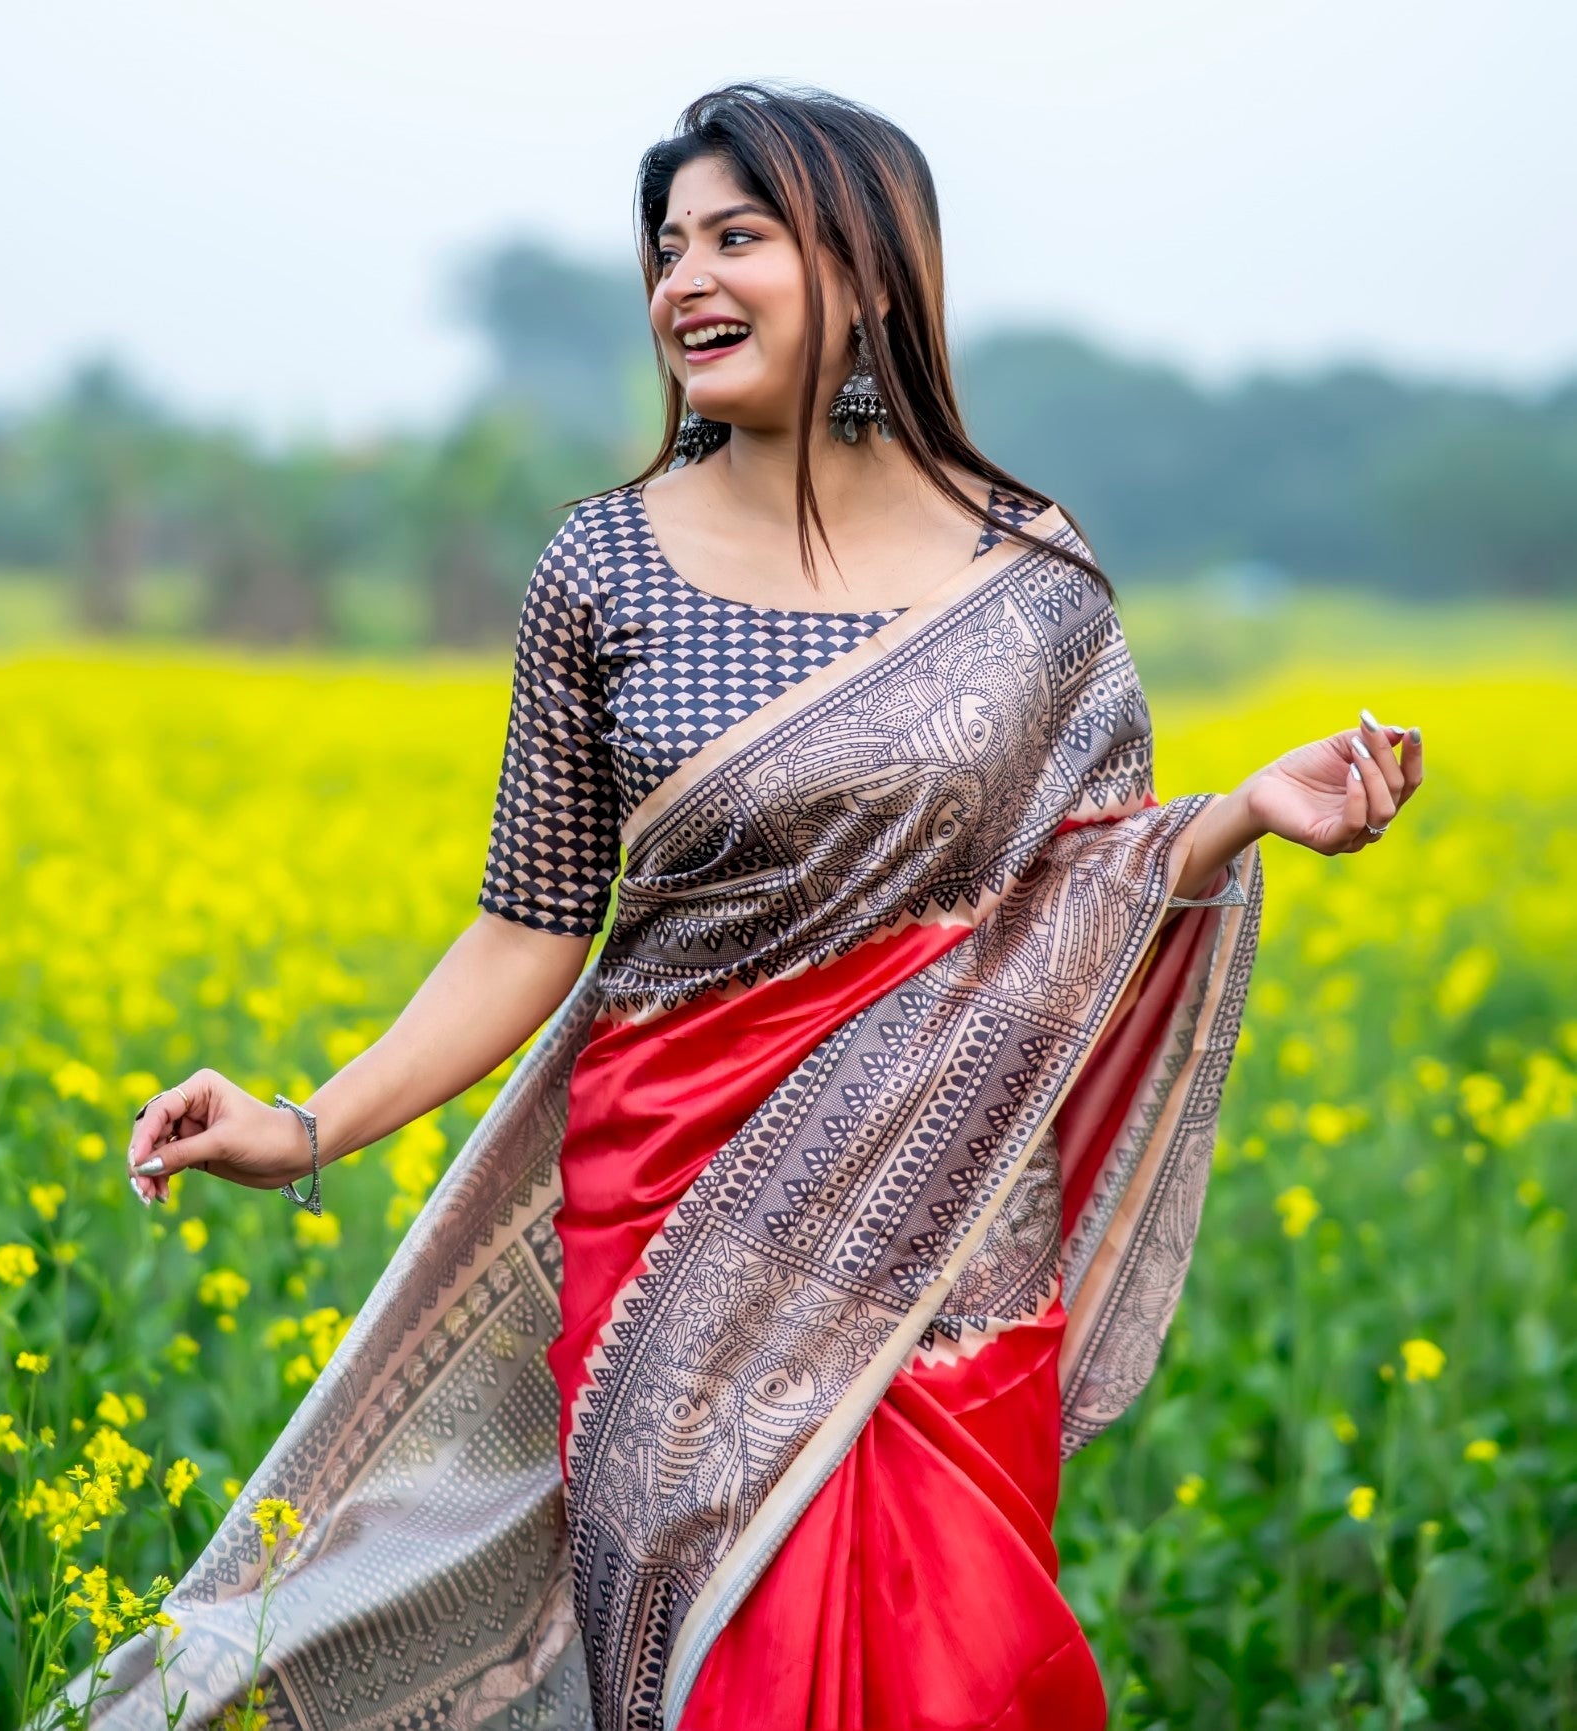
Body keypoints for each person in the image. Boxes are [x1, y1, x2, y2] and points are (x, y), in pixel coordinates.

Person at [112, 86, 1421, 1731]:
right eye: (668, 248)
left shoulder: (1030, 584)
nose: (685, 281)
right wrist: (307, 1127)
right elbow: (531, 923)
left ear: (868, 275)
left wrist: (1239, 817)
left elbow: (1076, 887)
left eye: (740, 237)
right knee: (713, 1674)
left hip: (935, 1234)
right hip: (666, 1226)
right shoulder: (602, 566)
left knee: (950, 1676)